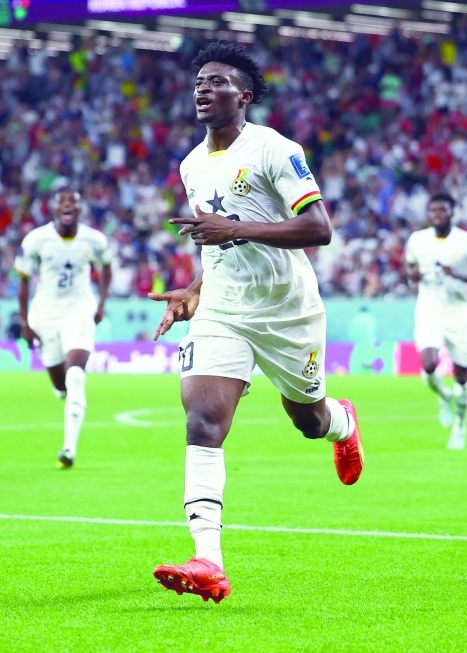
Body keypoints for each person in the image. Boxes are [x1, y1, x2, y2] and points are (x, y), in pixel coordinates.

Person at [146, 42, 364, 604]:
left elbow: (320, 229)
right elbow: (215, 243)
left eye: (216, 81)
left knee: (308, 421)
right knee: (202, 422)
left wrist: (236, 229)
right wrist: (194, 291)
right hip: (223, 309)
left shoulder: (274, 149)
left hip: (288, 310)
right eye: (198, 81)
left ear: (243, 96)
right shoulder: (191, 164)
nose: (202, 88)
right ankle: (208, 561)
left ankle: (342, 421)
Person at [15, 189, 111, 469]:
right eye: (62, 202)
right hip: (45, 315)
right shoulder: (36, 240)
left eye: (73, 202)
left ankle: (68, 449)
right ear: (54, 209)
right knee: (60, 384)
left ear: (80, 209)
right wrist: (25, 322)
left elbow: (106, 267)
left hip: (79, 311)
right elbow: (23, 279)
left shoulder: (94, 239)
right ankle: (64, 392)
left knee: (76, 375)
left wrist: (101, 303)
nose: (68, 205)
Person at [405, 193, 467, 451]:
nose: (438, 214)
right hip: (429, 308)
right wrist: (414, 274)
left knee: (462, 374)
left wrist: (457, 274)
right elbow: (409, 269)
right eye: (433, 210)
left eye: (443, 210)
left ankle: (460, 429)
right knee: (429, 364)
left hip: (458, 310)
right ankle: (444, 396)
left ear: (452, 213)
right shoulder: (417, 240)